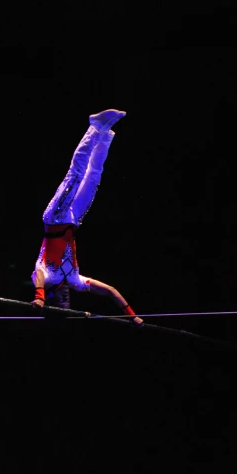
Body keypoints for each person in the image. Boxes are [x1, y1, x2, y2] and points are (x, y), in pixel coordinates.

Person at [31, 109, 143, 326]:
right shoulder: (77, 282)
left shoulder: (45, 278)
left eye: (61, 303)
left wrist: (39, 297)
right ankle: (103, 133)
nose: (66, 300)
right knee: (94, 177)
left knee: (76, 174)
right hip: (74, 220)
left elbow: (38, 274)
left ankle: (94, 126)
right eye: (68, 303)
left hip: (55, 218)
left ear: (52, 299)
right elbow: (110, 291)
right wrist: (132, 315)